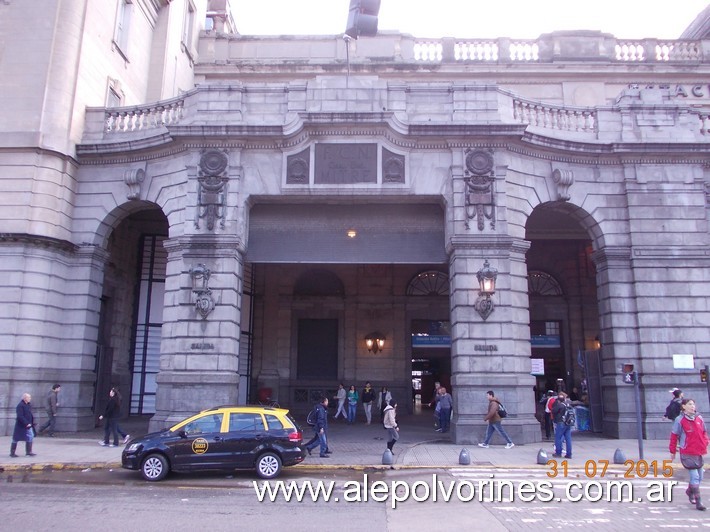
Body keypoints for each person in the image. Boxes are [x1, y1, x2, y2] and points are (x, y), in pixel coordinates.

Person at [669, 398, 708, 511]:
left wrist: (706, 443)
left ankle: (689, 491)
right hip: (687, 452)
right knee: (695, 476)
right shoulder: (679, 420)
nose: (692, 406)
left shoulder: (699, 418)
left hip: (698, 451)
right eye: (690, 404)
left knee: (700, 476)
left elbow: (704, 432)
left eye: (693, 404)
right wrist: (672, 451)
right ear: (684, 406)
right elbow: (674, 435)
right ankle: (698, 501)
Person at [10, 393, 36, 457]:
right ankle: (12, 453)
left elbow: (29, 414)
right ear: (25, 398)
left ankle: (29, 452)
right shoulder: (20, 405)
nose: (30, 398)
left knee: (30, 436)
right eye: (29, 397)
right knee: (16, 439)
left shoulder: (28, 405)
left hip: (28, 424)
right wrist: (26, 423)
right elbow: (20, 416)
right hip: (21, 425)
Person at [551, 391, 573, 458]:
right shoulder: (568, 405)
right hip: (568, 423)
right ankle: (569, 454)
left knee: (558, 438)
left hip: (561, 422)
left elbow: (553, 411)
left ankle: (558, 453)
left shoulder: (560, 405)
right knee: (568, 438)